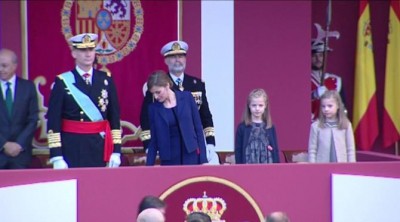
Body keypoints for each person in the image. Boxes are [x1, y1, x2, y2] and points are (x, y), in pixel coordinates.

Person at [46, 33, 122, 169]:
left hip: (99, 146)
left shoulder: (106, 80)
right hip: (72, 147)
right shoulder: (63, 81)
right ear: (74, 53)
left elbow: (114, 117)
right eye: (83, 50)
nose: (88, 54)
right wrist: (56, 156)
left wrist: (116, 151)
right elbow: (54, 120)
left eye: (91, 49)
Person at [140, 40, 219, 164]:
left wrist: (210, 142)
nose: (178, 60)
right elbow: (146, 122)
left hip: (190, 151)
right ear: (166, 61)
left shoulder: (196, 85)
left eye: (181, 56)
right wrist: (149, 147)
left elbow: (204, 117)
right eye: (173, 57)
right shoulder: (156, 84)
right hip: (168, 152)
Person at [145, 70, 207, 165]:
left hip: (191, 156)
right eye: (153, 93)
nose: (156, 96)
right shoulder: (153, 109)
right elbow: (154, 140)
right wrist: (148, 166)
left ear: (167, 86)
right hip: (169, 159)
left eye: (158, 92)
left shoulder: (187, 98)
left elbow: (198, 129)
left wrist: (203, 159)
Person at [0, 49, 39, 169]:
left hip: (21, 154)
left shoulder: (28, 87)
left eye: (4, 66)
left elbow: (33, 119)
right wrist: (4, 144)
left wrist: (18, 144)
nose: (0, 69)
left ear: (14, 66)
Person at [308, 90, 356, 163]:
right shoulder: (315, 126)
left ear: (338, 106)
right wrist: (312, 167)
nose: (326, 109)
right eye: (323, 106)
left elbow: (350, 149)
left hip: (342, 167)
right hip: (321, 167)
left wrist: (352, 167)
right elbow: (312, 150)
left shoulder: (346, 125)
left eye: (330, 106)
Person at [235, 89, 280, 164]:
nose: (257, 109)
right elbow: (238, 151)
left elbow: (275, 150)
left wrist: (277, 168)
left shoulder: (270, 127)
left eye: (260, 105)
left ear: (265, 106)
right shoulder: (242, 127)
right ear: (249, 106)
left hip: (268, 166)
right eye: (254, 105)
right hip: (248, 167)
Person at [311, 40, 346, 121]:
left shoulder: (336, 81)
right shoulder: (301, 81)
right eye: (314, 56)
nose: (318, 59)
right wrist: (313, 95)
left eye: (321, 55)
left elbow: (342, 108)